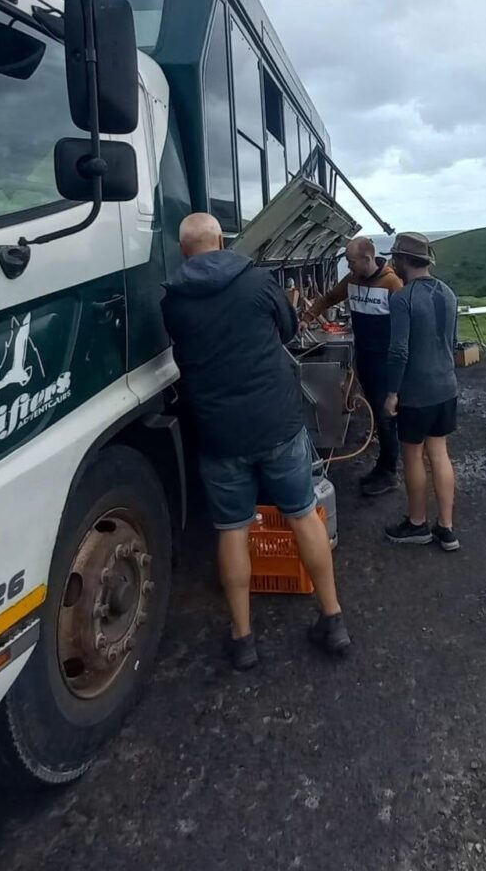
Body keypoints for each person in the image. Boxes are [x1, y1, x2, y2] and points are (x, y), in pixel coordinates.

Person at [161, 213, 350, 671]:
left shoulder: (172, 300)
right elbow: (286, 331)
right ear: (222, 241)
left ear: (184, 250)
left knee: (232, 531)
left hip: (219, 430)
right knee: (303, 514)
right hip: (277, 421)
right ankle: (333, 620)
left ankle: (243, 638)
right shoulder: (257, 281)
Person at [300, 237, 404, 495]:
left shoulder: (392, 284)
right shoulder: (352, 281)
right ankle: (383, 466)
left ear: (368, 259)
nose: (348, 267)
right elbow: (329, 298)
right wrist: (307, 317)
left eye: (351, 262)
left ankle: (389, 472)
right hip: (365, 357)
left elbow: (404, 326)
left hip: (385, 362)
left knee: (385, 416)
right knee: (379, 418)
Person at [381, 232, 460, 552]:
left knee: (413, 455)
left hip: (416, 391)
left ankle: (416, 524)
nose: (392, 264)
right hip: (446, 386)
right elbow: (452, 342)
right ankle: (446, 528)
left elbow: (399, 352)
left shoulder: (402, 298)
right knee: (439, 453)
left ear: (403, 261)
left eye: (395, 258)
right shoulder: (448, 292)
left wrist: (392, 393)